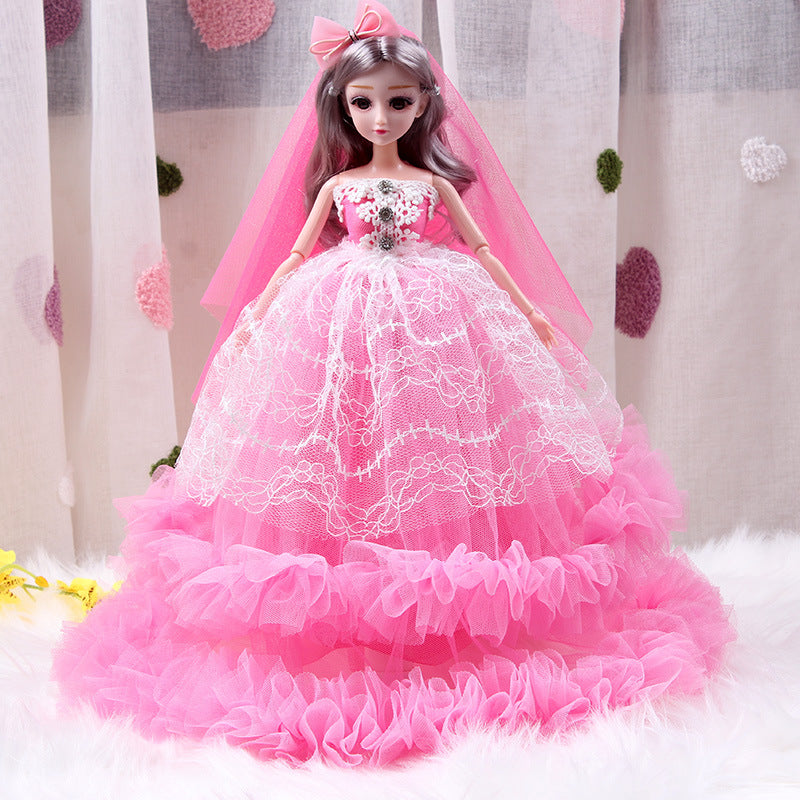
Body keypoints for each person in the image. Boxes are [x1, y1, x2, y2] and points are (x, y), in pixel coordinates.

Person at [54, 2, 734, 767]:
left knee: (435, 439)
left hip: (433, 304)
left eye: (398, 101)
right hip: (335, 304)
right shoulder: (339, 185)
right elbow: (294, 252)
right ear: (342, 107)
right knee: (334, 435)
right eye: (363, 102)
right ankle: (346, 595)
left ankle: (441, 610)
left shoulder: (431, 183)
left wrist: (528, 311)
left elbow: (483, 250)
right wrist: (259, 311)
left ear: (423, 106)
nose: (381, 117)